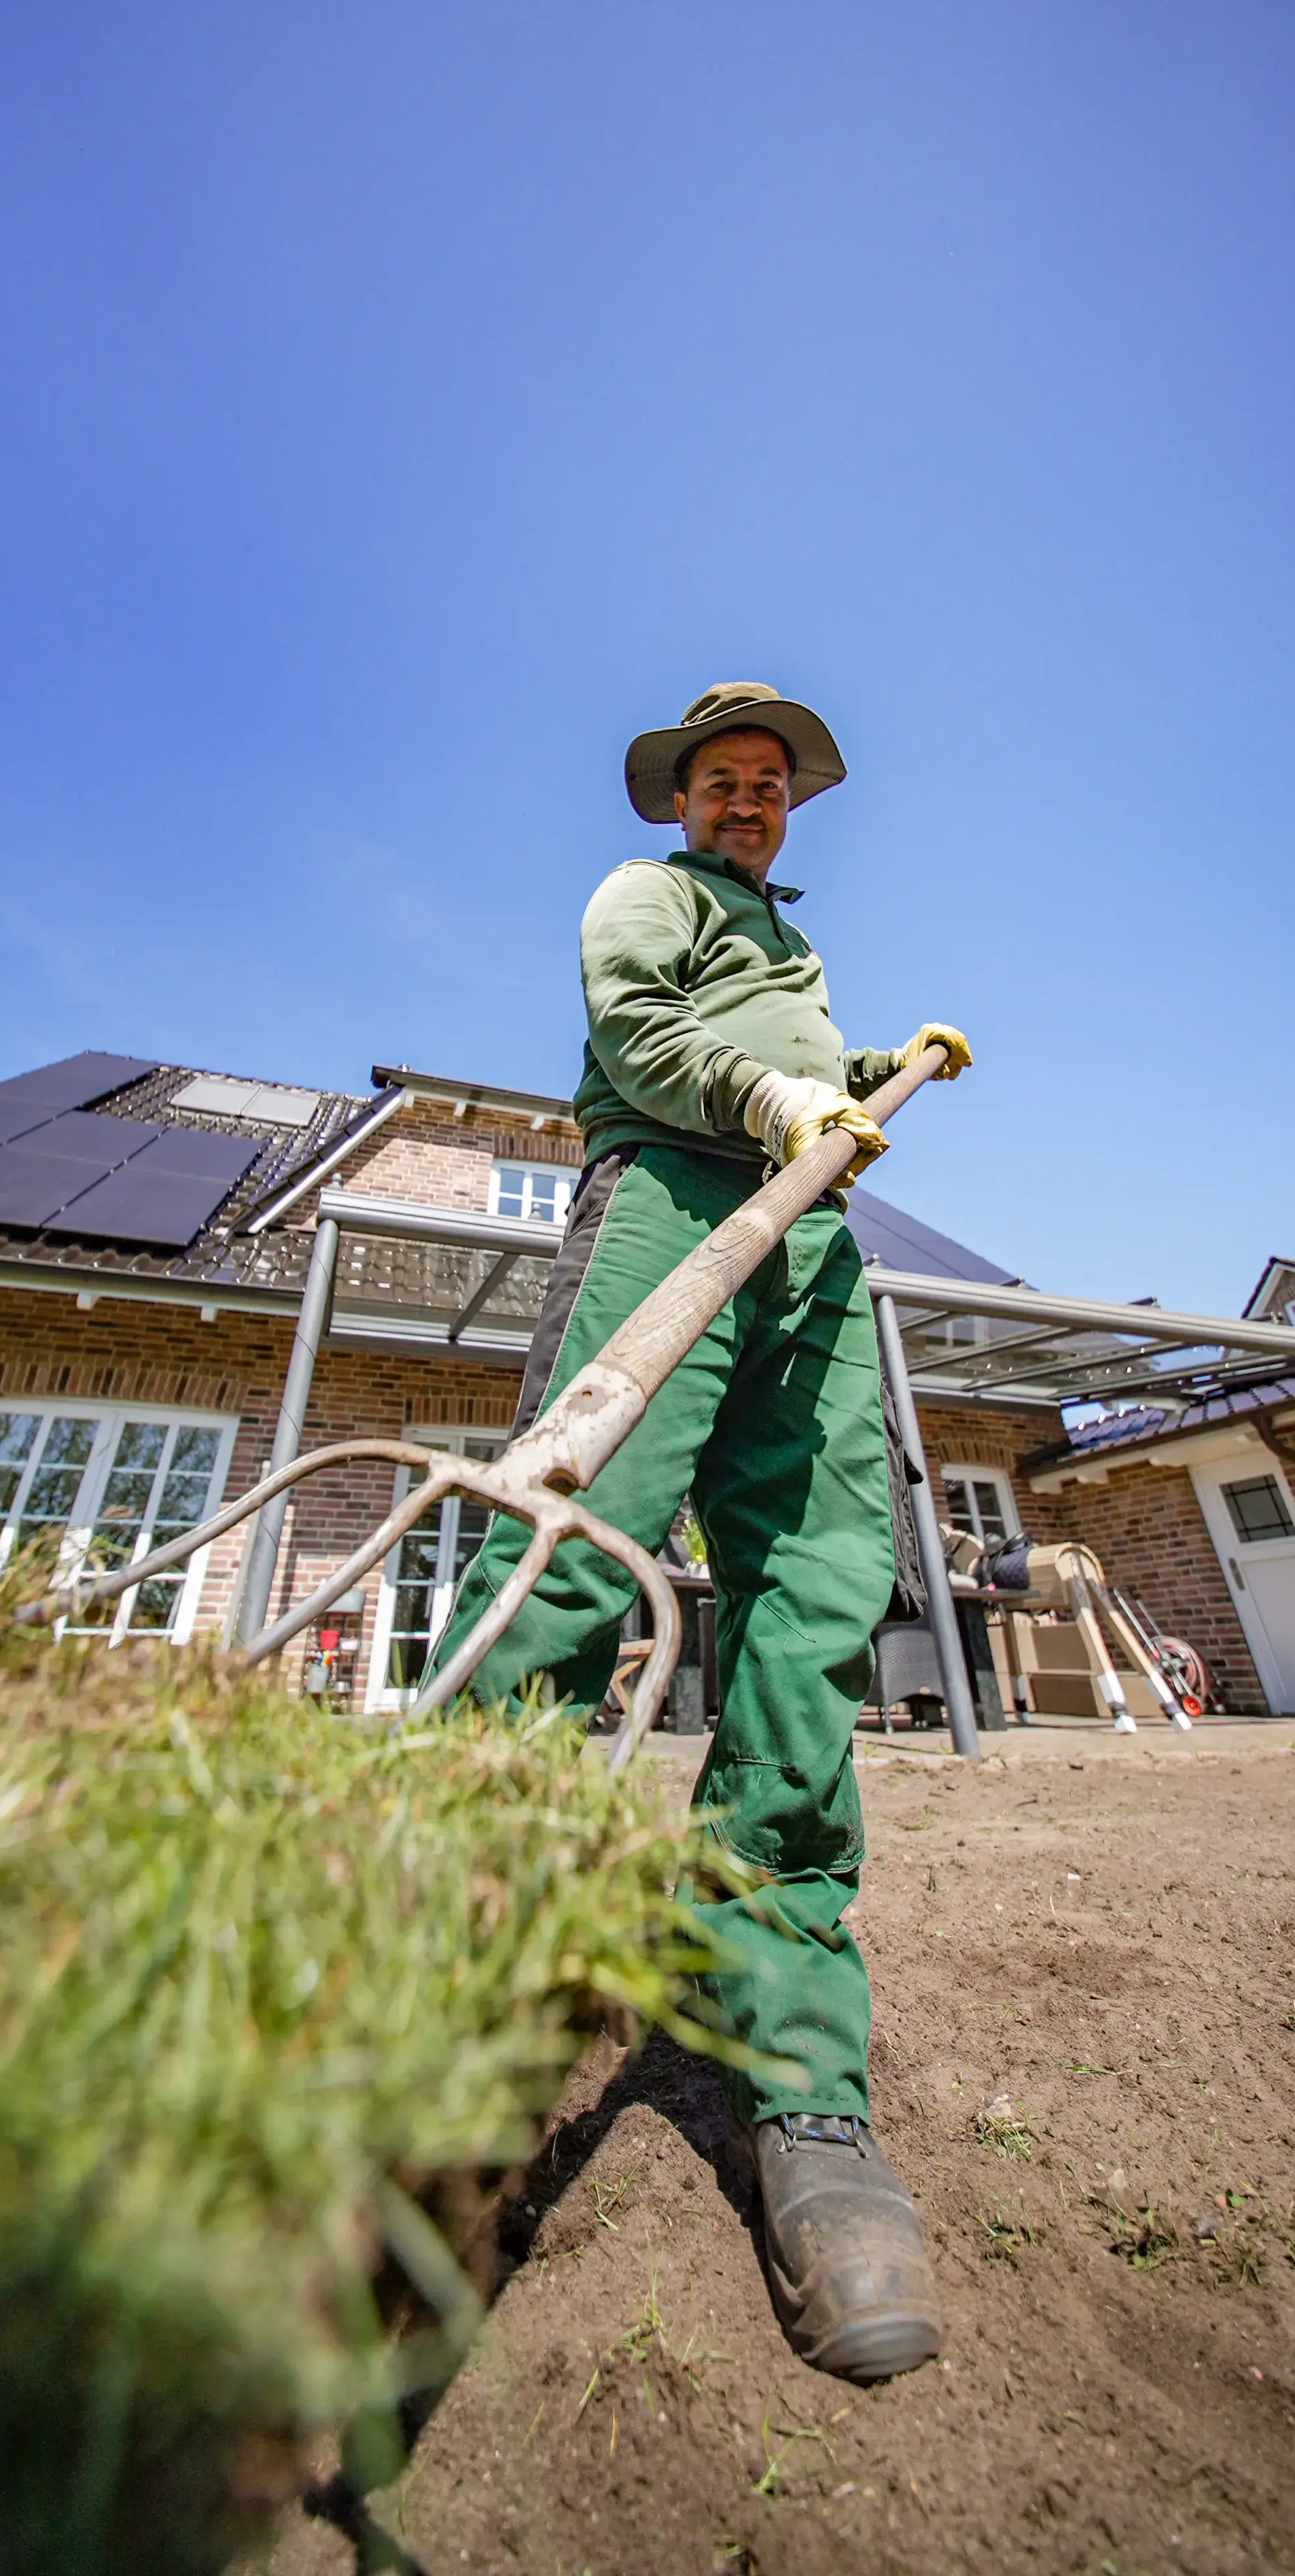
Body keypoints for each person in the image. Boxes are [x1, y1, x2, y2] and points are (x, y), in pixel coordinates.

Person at [425, 681, 971, 2384]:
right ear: (683, 797)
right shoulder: (642, 894)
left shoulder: (790, 945)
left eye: (772, 784)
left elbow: (801, 1070)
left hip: (812, 1238)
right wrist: (780, 1106)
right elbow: (652, 1039)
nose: (750, 799)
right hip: (676, 1197)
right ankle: (428, 1994)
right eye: (725, 780)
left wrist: (876, 1071)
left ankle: (801, 2079)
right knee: (565, 1573)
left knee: (815, 1603)